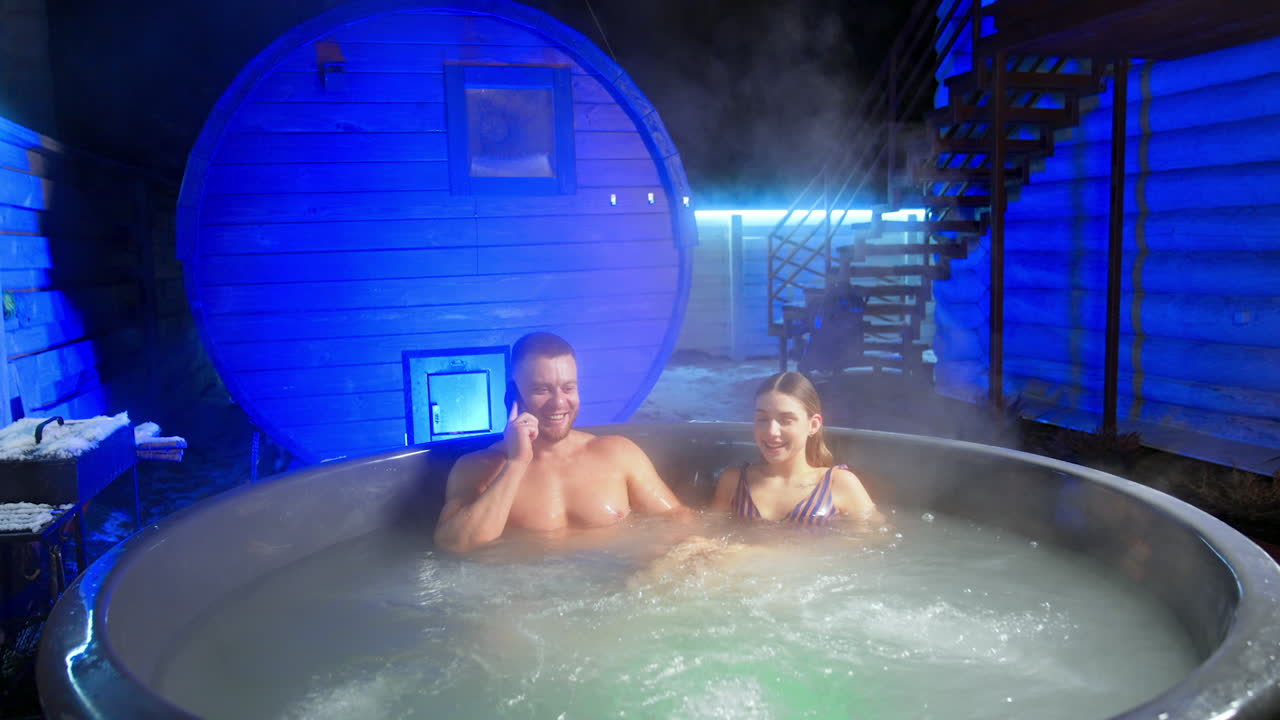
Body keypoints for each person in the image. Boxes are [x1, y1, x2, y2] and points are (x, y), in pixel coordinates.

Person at [433, 332, 685, 552]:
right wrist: (517, 463)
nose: (559, 403)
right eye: (541, 390)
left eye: (568, 388)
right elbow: (455, 545)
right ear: (513, 396)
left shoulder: (618, 455)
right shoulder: (477, 469)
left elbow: (678, 520)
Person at [709, 371, 880, 524]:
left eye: (786, 420)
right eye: (762, 419)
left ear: (813, 425)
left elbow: (876, 543)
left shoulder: (840, 483)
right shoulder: (734, 482)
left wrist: (755, 552)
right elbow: (710, 533)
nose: (771, 432)